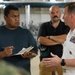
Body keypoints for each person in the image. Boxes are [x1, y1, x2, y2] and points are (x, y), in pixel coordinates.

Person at [0, 5, 37, 74]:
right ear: (5, 17)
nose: (17, 19)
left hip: (23, 72)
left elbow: (35, 52)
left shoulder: (26, 33)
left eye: (18, 16)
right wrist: (3, 54)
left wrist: (29, 54)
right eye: (14, 16)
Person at [42, 2, 75, 75]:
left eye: (65, 14)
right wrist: (58, 62)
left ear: (72, 17)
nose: (62, 17)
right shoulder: (70, 33)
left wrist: (61, 61)